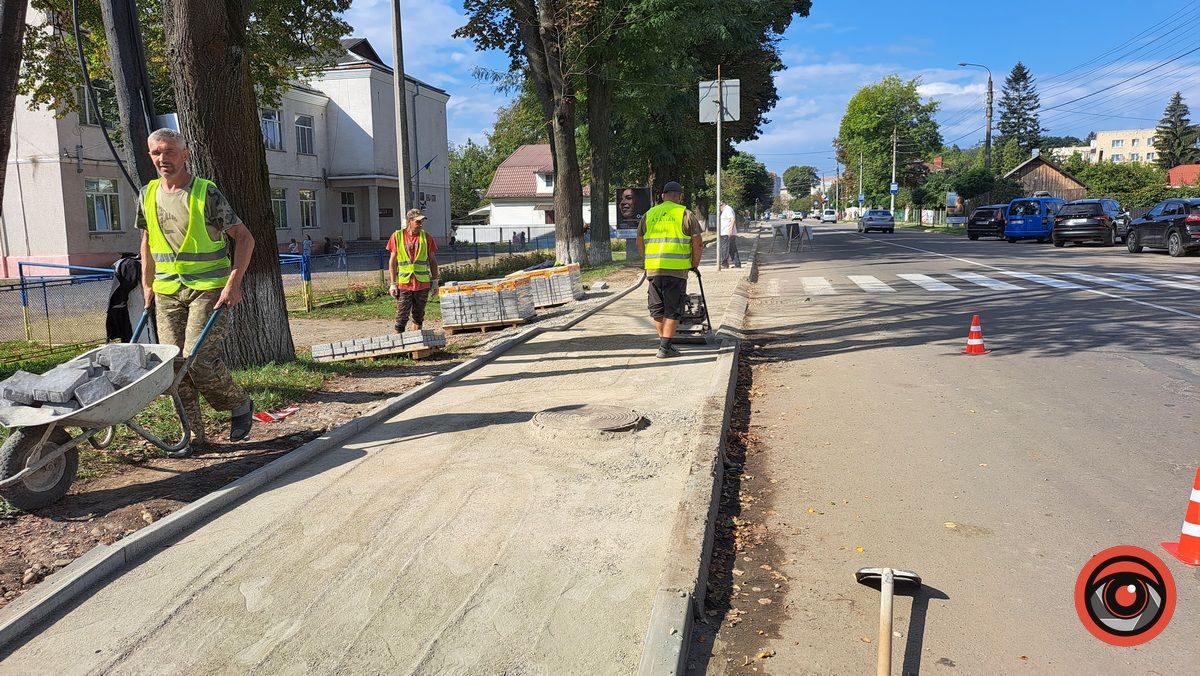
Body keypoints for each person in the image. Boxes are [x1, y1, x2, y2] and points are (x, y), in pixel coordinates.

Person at [137, 128, 255, 447]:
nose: (163, 158)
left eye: (170, 151)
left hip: (210, 289)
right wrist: (147, 285)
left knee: (197, 359)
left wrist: (234, 282)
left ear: (185, 154)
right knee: (173, 366)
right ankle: (193, 436)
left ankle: (238, 404)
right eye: (157, 153)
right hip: (166, 291)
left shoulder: (205, 193)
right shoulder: (147, 194)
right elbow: (147, 241)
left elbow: (245, 238)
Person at [636, 181, 703, 359]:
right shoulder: (686, 214)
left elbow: (639, 240)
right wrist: (694, 264)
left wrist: (647, 260)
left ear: (663, 196)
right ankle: (665, 347)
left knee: (657, 309)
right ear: (680, 197)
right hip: (676, 271)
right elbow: (698, 243)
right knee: (672, 310)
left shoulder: (649, 214)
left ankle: (665, 344)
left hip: (653, 270)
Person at [387, 209, 439, 332]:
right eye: (418, 221)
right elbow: (392, 261)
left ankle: (416, 342)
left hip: (422, 283)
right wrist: (393, 284)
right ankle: (399, 344)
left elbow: (433, 261)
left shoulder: (426, 237)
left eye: (422, 221)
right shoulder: (397, 236)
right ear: (410, 221)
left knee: (418, 315)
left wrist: (435, 281)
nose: (421, 224)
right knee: (402, 315)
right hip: (404, 283)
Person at [719, 201, 741, 268]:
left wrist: (730, 230)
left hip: (727, 232)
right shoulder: (726, 210)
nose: (719, 209)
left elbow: (732, 219)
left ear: (722, 204)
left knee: (725, 248)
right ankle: (737, 264)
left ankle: (725, 263)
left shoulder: (728, 209)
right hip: (727, 232)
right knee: (732, 249)